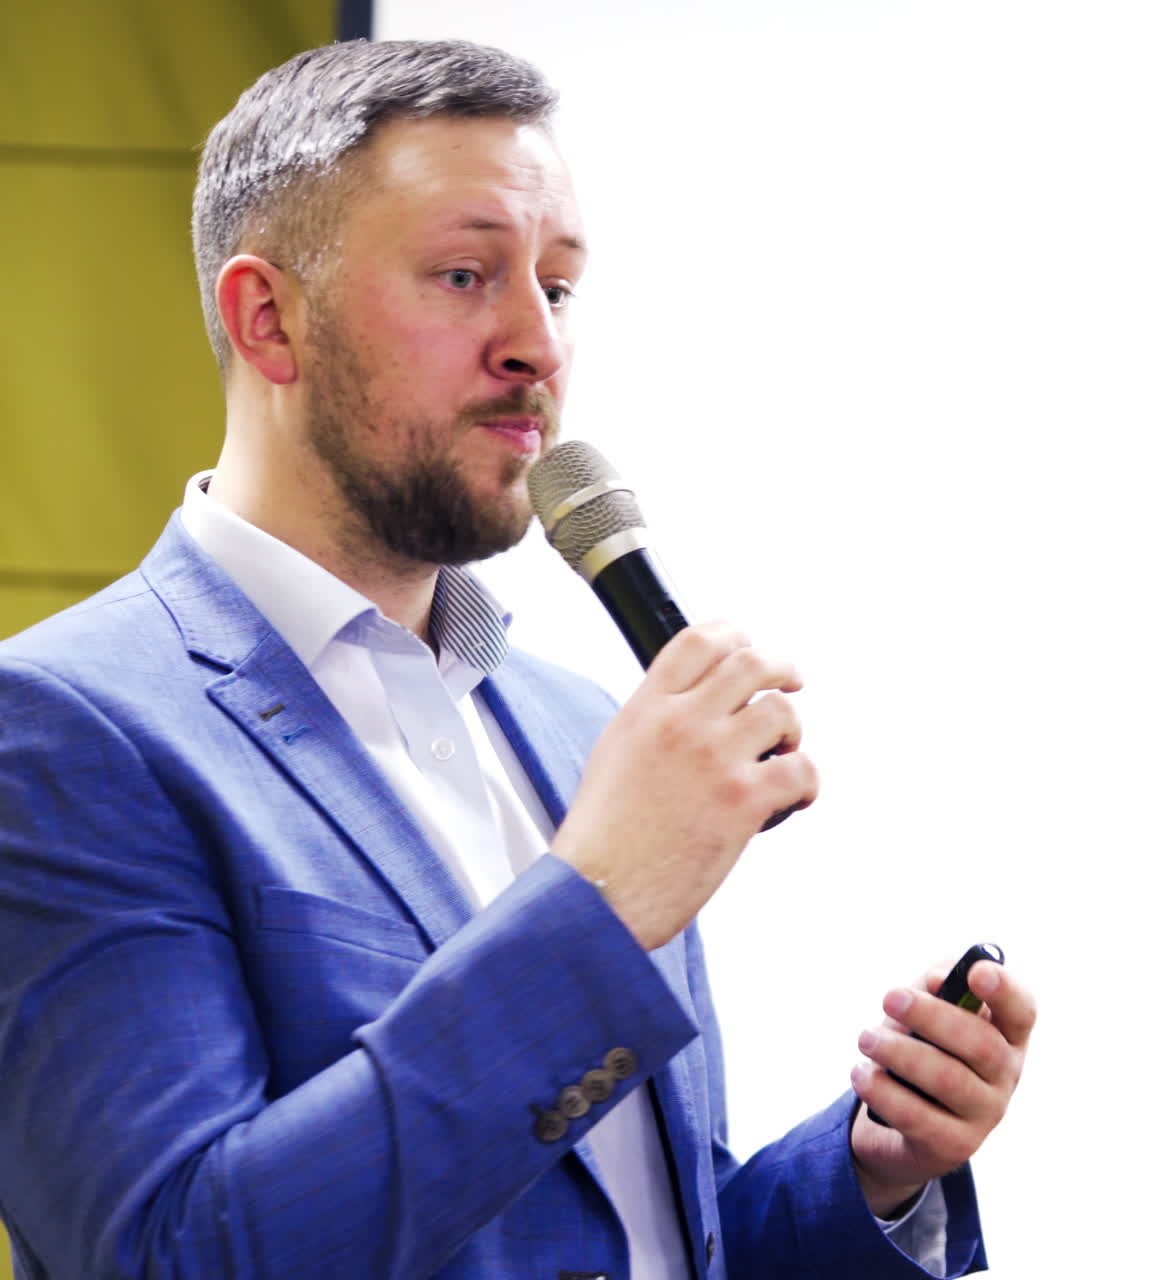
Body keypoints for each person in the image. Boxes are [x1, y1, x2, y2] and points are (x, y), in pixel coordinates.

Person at [0, 39, 1035, 1279]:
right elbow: (181, 1254)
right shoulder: (65, 727)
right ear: (268, 319)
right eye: (462, 273)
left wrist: (874, 1166)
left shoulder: (569, 721)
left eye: (557, 285)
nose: (536, 344)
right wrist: (597, 904)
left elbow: (640, 1239)